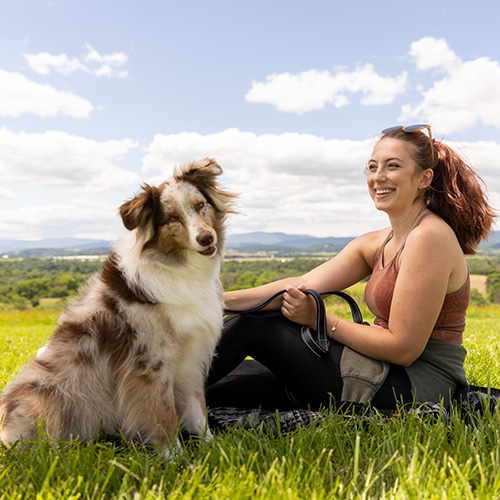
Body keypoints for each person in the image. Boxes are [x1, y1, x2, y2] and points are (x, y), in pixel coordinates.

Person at [206, 124, 496, 412]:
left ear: (424, 178)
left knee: (255, 326)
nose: (378, 177)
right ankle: (172, 397)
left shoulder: (429, 237)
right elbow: (304, 282)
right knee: (222, 385)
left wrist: (318, 318)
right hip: (375, 366)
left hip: (415, 384)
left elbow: (403, 348)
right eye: (372, 167)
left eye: (392, 166)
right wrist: (215, 302)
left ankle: (161, 393)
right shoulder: (378, 241)